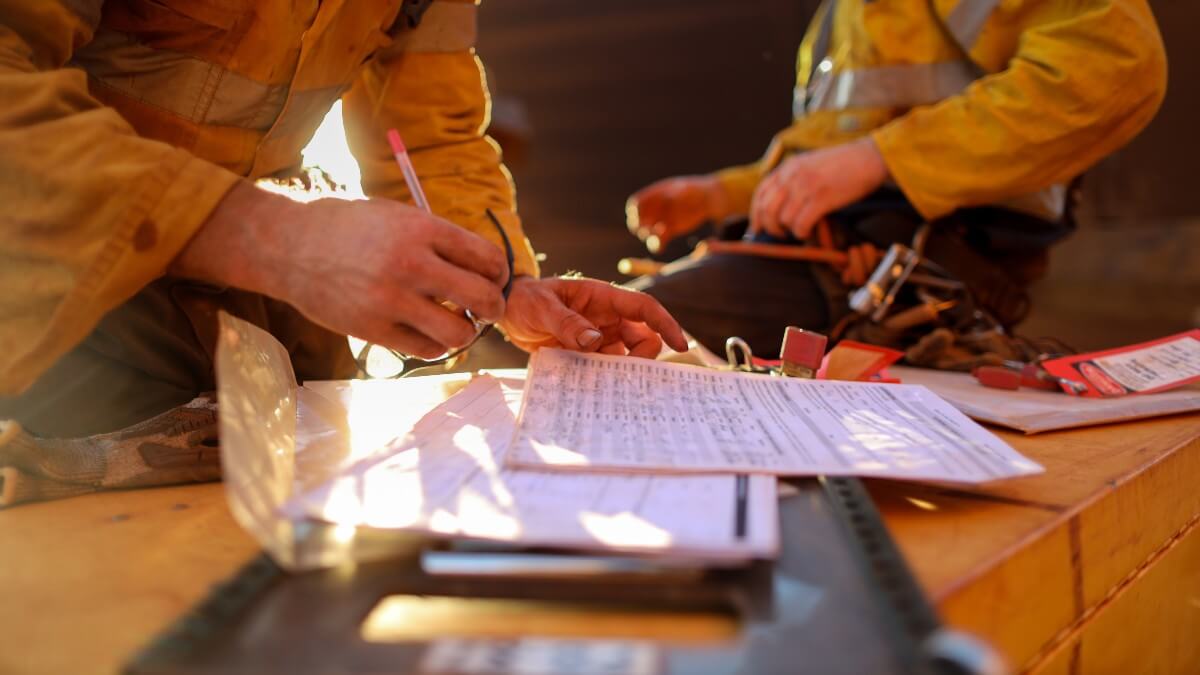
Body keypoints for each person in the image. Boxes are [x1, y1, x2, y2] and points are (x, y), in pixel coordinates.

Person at [0, 0, 688, 440]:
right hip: (53, 288)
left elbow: (434, 139)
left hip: (254, 309)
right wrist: (275, 237)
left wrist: (504, 289)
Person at [626, 0, 1167, 359]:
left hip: (912, 274)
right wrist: (718, 194)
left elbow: (1117, 66)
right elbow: (832, 155)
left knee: (621, 340)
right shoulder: (839, 19)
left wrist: (879, 158)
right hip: (824, 266)